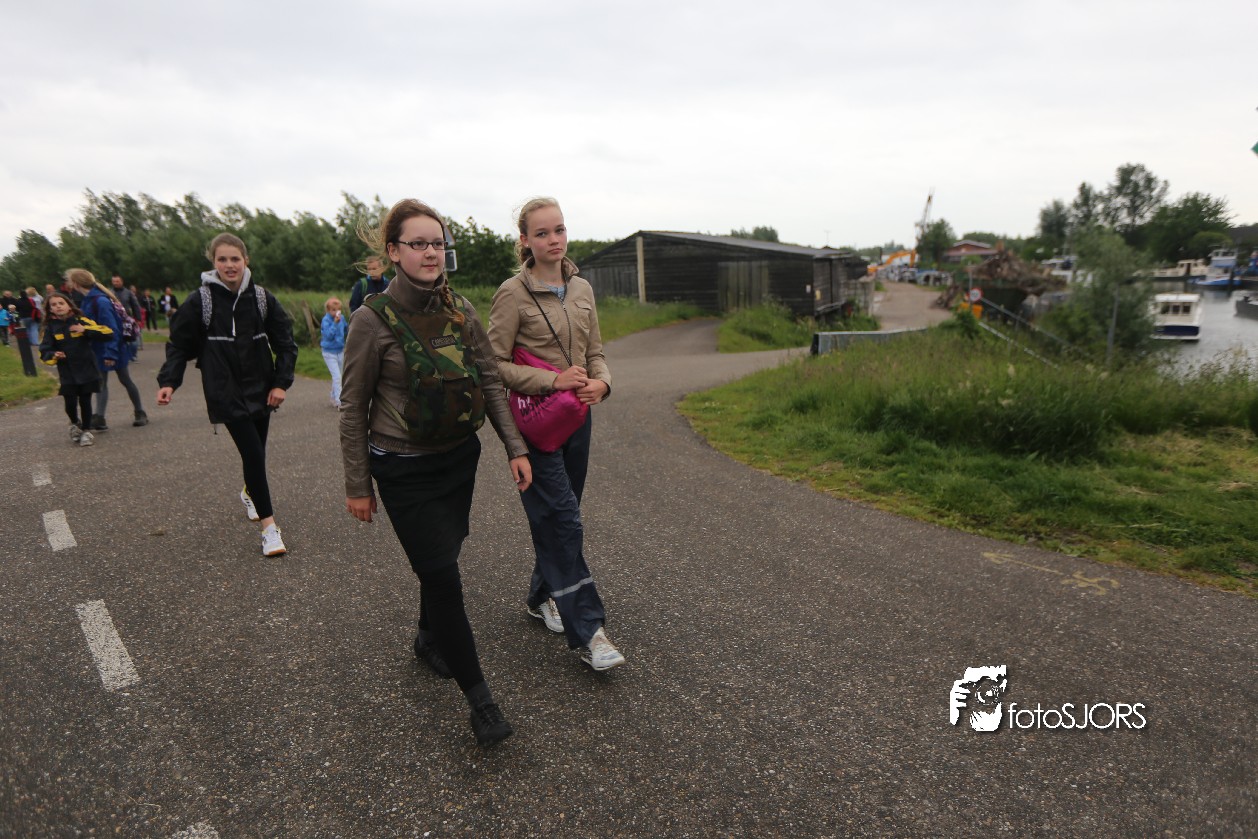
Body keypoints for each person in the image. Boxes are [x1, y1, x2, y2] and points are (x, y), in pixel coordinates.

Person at [340, 198, 532, 747]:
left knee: (444, 556)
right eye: (418, 243)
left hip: (458, 459)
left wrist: (513, 447)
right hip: (402, 468)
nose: (431, 252)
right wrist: (358, 485)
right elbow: (352, 408)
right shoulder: (370, 320)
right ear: (393, 251)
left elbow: (490, 379)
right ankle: (481, 701)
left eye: (437, 243)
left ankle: (427, 638)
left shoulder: (461, 309)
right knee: (445, 578)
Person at [488, 197, 624, 671]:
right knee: (564, 520)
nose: (554, 239)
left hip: (577, 420)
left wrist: (602, 383)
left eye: (559, 229)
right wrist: (552, 381)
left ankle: (541, 596)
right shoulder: (512, 294)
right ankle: (590, 632)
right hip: (536, 426)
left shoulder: (582, 288)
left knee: (559, 516)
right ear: (525, 240)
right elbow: (493, 365)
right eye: (542, 233)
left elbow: (596, 352)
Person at [157, 233, 298, 558]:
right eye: (222, 259)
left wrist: (280, 383)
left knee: (256, 453)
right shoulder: (201, 301)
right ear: (213, 263)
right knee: (253, 455)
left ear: (245, 260)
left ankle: (250, 493)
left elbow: (286, 343)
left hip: (261, 389)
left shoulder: (261, 298)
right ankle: (269, 529)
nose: (229, 265)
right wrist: (169, 381)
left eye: (235, 259)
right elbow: (179, 344)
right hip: (224, 390)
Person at [65, 269, 148, 430]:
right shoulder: (89, 299)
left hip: (112, 348)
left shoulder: (100, 301)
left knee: (125, 380)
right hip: (98, 348)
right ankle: (100, 417)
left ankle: (140, 412)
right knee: (101, 383)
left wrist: (110, 354)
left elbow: (112, 330)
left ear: (75, 283)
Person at [39, 290, 113, 446]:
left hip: (87, 368)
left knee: (85, 400)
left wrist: (85, 330)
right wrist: (54, 354)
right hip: (67, 371)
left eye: (61, 303)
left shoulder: (81, 321)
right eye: (54, 305)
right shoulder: (50, 328)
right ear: (50, 310)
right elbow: (44, 350)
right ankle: (74, 423)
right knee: (70, 403)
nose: (58, 306)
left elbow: (108, 333)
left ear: (69, 305)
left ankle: (86, 430)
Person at [319, 297, 347, 408]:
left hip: (340, 350)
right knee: (337, 377)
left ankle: (333, 397)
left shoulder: (342, 318)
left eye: (338, 309)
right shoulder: (326, 320)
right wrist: (335, 323)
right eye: (333, 310)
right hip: (329, 352)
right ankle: (340, 401)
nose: (336, 312)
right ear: (328, 310)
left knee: (339, 376)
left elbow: (346, 329)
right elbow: (328, 335)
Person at [111, 274, 143, 357]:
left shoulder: (128, 293)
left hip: (127, 320)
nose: (115, 283)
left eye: (117, 281)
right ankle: (123, 356)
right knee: (118, 340)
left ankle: (132, 355)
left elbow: (135, 306)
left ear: (122, 282)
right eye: (113, 281)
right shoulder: (109, 292)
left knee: (133, 342)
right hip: (114, 320)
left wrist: (138, 319)